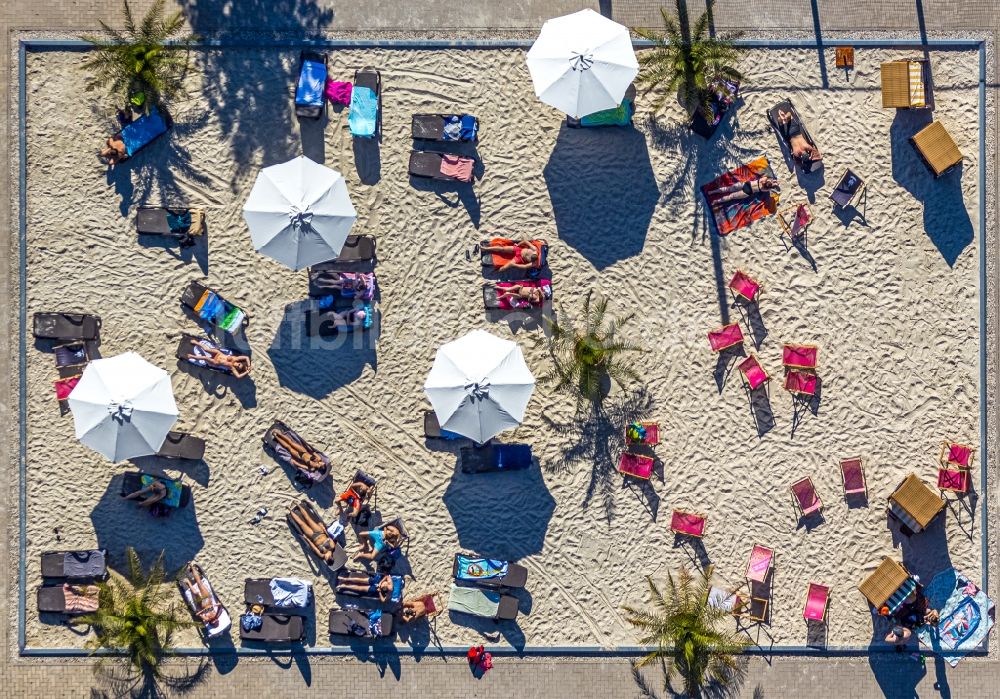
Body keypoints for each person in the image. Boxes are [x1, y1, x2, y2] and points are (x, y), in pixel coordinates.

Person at [186, 337, 251, 379]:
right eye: (239, 364)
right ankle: (196, 343)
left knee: (205, 358)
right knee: (206, 349)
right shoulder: (236, 358)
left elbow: (238, 376)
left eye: (238, 367)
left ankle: (192, 356)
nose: (237, 365)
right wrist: (249, 365)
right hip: (218, 353)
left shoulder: (232, 368)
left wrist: (246, 372)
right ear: (239, 362)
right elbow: (246, 357)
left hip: (216, 362)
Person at [705, 175, 780, 210]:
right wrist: (774, 184)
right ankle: (716, 201)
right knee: (731, 197)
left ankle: (712, 192)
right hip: (748, 192)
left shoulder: (763, 180)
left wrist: (773, 181)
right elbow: (770, 187)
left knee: (728, 189)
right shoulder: (765, 189)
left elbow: (767, 178)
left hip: (746, 184)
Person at [336, 571, 402, 603]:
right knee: (360, 580)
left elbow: (383, 601)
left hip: (376, 590)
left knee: (360, 588)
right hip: (377, 581)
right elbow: (387, 576)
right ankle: (345, 579)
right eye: (384, 586)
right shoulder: (390, 585)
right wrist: (381, 582)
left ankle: (344, 586)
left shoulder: (389, 594)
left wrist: (379, 592)